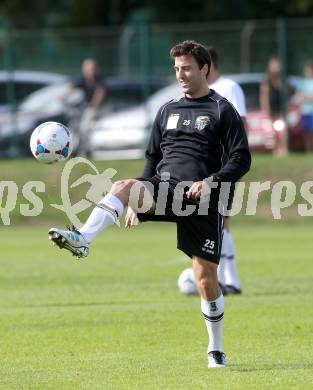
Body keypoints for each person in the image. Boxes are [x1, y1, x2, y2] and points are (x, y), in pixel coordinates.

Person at [48, 40, 251, 368]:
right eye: (176, 70)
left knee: (205, 279)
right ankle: (83, 239)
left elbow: (242, 159)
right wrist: (133, 199)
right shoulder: (167, 110)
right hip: (164, 188)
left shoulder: (221, 110)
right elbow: (152, 159)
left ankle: (215, 348)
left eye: (187, 68)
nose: (181, 75)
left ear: (204, 69)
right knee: (123, 186)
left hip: (201, 200)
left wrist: (212, 182)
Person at [207, 47, 248, 296]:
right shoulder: (198, 92)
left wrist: (237, 161)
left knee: (221, 221)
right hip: (203, 165)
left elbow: (241, 124)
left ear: (208, 64)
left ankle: (229, 281)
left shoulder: (229, 87)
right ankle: (226, 280)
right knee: (216, 222)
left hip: (224, 163)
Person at [259, 56, 293, 156]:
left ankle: (283, 149)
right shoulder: (266, 80)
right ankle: (276, 150)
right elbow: (264, 95)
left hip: (282, 109)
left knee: (283, 131)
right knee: (273, 131)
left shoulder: (283, 79)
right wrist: (265, 108)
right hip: (272, 110)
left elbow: (288, 92)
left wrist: (281, 86)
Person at [73, 58, 107, 155]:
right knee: (75, 126)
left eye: (91, 69)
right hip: (84, 108)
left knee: (85, 127)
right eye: (86, 69)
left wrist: (93, 105)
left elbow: (99, 93)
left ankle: (85, 151)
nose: (88, 72)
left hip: (98, 109)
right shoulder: (82, 79)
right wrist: (62, 97)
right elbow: (71, 88)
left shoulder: (99, 80)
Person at [297, 61, 313, 152]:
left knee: (311, 132)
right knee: (306, 132)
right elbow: (299, 96)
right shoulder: (302, 83)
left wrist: (305, 97)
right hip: (304, 111)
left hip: (312, 112)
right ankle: (308, 150)